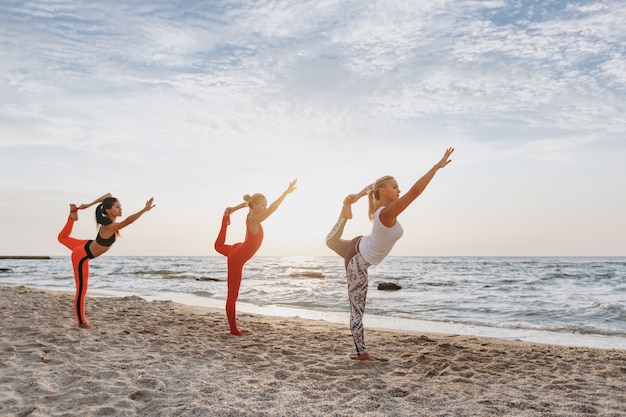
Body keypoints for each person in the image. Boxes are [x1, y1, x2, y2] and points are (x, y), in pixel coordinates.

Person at [326, 148, 454, 361]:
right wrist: (436, 167)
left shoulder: (380, 210)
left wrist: (357, 196)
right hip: (357, 260)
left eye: (398, 187)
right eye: (394, 187)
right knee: (357, 308)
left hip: (358, 247)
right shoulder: (386, 213)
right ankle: (362, 354)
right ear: (383, 192)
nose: (399, 190)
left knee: (330, 241)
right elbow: (415, 192)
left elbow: (371, 188)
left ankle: (345, 210)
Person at [57, 193, 156, 328]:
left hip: (85, 244)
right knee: (81, 290)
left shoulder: (109, 223)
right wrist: (144, 210)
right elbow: (127, 221)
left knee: (62, 238)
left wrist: (89, 204)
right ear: (109, 210)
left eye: (120, 206)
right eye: (117, 207)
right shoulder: (109, 227)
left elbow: (108, 195)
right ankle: (82, 323)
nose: (121, 209)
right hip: (82, 255)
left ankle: (72, 217)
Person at [214, 180, 297, 335]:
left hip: (239, 248)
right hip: (236, 258)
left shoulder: (251, 212)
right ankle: (233, 330)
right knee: (232, 296)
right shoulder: (254, 219)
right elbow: (273, 209)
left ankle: (225, 220)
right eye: (262, 205)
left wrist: (232, 209)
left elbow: (246, 203)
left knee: (218, 246)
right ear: (255, 206)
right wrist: (285, 193)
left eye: (265, 205)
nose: (265, 207)